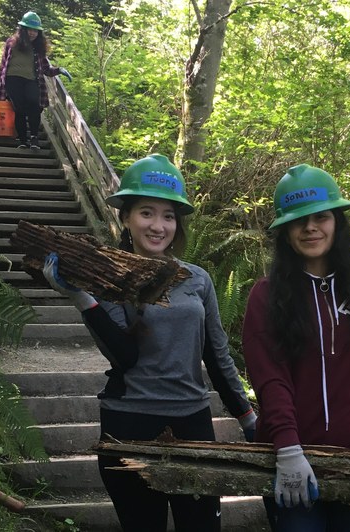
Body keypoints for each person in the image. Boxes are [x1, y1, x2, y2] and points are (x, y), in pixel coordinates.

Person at [42, 153, 257, 532]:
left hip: (192, 421)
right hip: (129, 422)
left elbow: (215, 352)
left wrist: (246, 415)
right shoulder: (108, 276)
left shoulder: (197, 279)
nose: (158, 226)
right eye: (147, 213)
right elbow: (123, 356)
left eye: (168, 215)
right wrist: (83, 299)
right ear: (125, 217)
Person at [242, 164, 350, 532]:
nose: (311, 227)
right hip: (287, 458)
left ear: (337, 222)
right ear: (285, 231)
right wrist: (287, 448)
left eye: (321, 217)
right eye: (299, 220)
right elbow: (270, 379)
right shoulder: (266, 296)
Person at [0, 11, 72, 149]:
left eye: (35, 31)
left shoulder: (38, 48)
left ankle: (34, 138)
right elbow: (3, 63)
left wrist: (59, 70)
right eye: (30, 30)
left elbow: (46, 69)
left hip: (31, 80)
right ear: (23, 30)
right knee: (19, 108)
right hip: (12, 80)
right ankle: (23, 140)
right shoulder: (11, 43)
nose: (32, 33)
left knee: (34, 105)